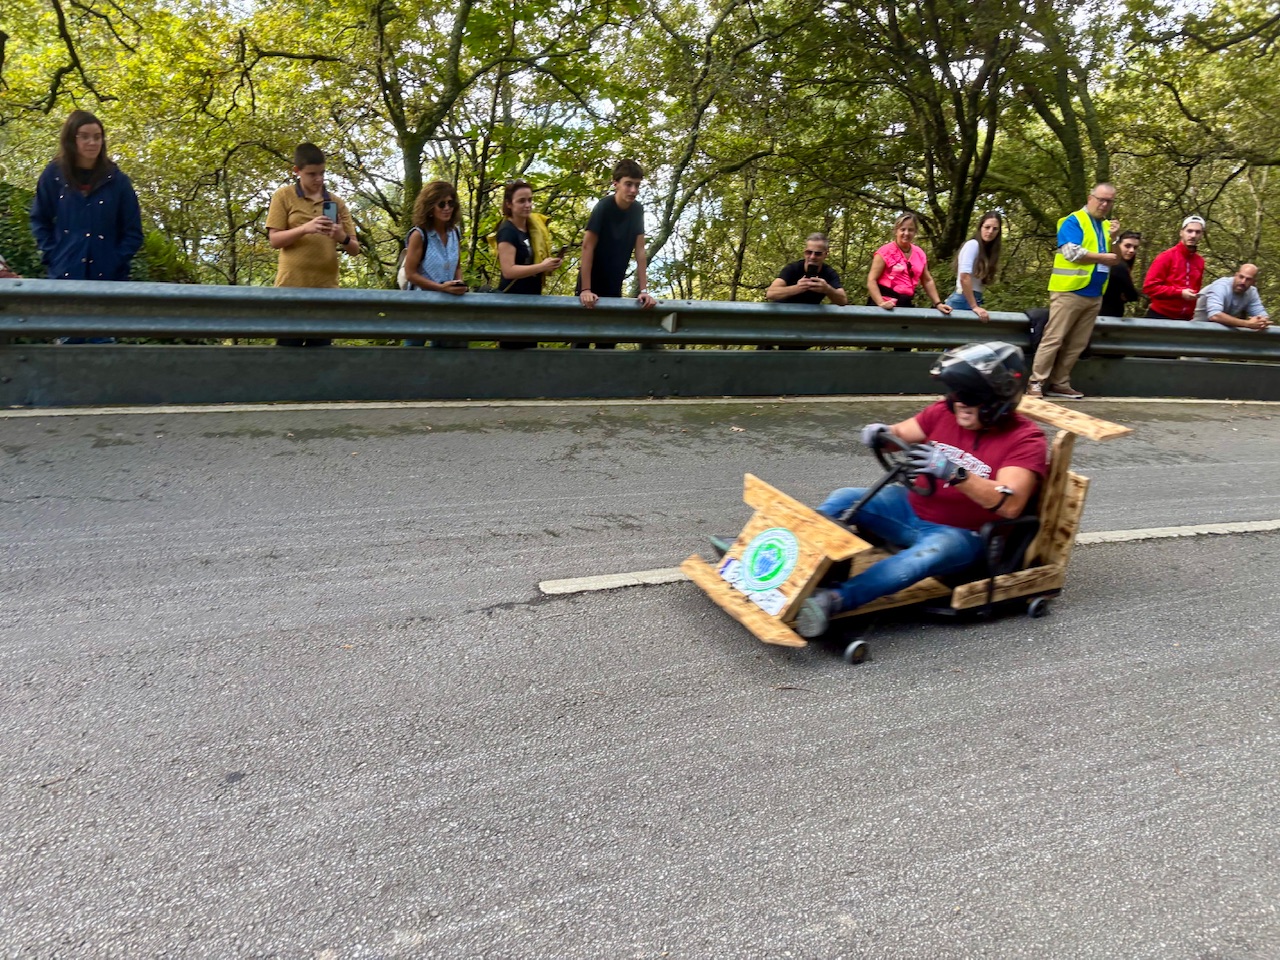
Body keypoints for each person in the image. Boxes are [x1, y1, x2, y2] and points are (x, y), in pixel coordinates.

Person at [795, 342, 1047, 638]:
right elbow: (899, 435)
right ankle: (788, 562)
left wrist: (955, 473)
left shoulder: (1026, 440)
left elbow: (1011, 504)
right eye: (955, 393)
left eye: (969, 395)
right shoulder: (944, 411)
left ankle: (832, 600)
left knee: (923, 557)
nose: (959, 402)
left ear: (997, 399)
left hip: (961, 534)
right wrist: (881, 433)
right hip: (910, 507)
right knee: (844, 499)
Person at [29, 109, 144, 344]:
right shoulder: (54, 176)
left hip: (107, 281)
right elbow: (39, 219)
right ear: (72, 139)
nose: (92, 142)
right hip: (65, 277)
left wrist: (115, 259)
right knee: (68, 350)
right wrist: (53, 254)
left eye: (97, 136)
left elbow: (133, 232)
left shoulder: (118, 181)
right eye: (85, 136)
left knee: (103, 351)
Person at [1028, 182, 1120, 400]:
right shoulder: (1073, 221)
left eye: (1109, 201)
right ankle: (1036, 381)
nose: (1105, 204)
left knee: (1077, 343)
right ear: (1090, 198)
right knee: (1054, 337)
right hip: (1069, 290)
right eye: (1101, 199)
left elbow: (1115, 258)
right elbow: (1071, 252)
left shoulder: (1107, 226)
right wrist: (1101, 257)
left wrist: (1115, 238)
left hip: (1094, 293)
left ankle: (1060, 383)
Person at [265, 142, 360, 347]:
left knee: (321, 356)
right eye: (312, 174)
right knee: (287, 354)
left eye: (322, 173)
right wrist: (305, 229)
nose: (319, 179)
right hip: (290, 290)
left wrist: (341, 237)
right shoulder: (283, 196)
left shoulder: (336, 203)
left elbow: (354, 249)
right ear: (297, 171)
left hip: (326, 292)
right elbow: (274, 240)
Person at [575, 159, 657, 349]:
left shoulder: (637, 210)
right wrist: (586, 289)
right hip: (591, 282)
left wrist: (643, 291)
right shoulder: (604, 207)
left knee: (608, 342)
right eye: (628, 184)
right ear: (616, 184)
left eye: (637, 185)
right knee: (581, 342)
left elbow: (640, 251)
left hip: (614, 283)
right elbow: (587, 247)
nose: (633, 190)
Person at [494, 179, 563, 349]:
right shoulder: (507, 231)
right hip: (512, 304)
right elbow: (508, 270)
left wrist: (550, 264)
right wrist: (542, 267)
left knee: (530, 354)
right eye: (521, 201)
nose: (528, 205)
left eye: (530, 200)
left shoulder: (532, 228)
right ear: (509, 204)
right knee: (511, 355)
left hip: (532, 300)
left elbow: (535, 260)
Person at [401, 180, 467, 348]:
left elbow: (457, 264)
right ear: (430, 207)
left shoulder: (454, 232)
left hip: (447, 306)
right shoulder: (419, 235)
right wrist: (440, 288)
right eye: (441, 204)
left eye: (451, 203)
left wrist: (459, 283)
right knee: (413, 355)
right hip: (420, 306)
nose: (447, 208)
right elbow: (410, 274)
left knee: (444, 354)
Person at [866, 213, 952, 314]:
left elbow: (927, 280)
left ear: (915, 232)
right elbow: (872, 280)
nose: (906, 233)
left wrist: (938, 303)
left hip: (905, 305)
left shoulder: (919, 253)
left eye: (910, 230)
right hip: (883, 305)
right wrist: (881, 303)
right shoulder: (885, 252)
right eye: (902, 229)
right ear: (896, 231)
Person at [1142, 215, 1206, 320]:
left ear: (1201, 235)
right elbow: (1149, 287)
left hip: (1186, 319)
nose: (1193, 235)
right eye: (1189, 231)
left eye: (1197, 232)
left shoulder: (1200, 262)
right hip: (1160, 315)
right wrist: (1179, 293)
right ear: (1181, 232)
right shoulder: (1166, 257)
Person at [946, 212, 1003, 320]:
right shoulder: (973, 245)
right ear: (980, 227)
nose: (990, 231)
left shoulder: (988, 251)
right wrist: (974, 306)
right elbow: (964, 277)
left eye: (995, 229)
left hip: (971, 298)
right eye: (987, 227)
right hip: (963, 300)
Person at [766, 233, 848, 306]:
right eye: (809, 252)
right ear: (805, 252)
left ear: (825, 254)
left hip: (807, 320)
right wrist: (797, 288)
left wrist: (827, 289)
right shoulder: (793, 268)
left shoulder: (829, 273)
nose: (812, 257)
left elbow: (843, 300)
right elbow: (771, 293)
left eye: (818, 254)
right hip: (782, 316)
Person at [1193, 265, 1271, 330]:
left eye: (1248, 279)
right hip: (1196, 328)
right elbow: (1214, 315)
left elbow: (1261, 313)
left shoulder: (1251, 292)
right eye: (1241, 277)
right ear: (1236, 275)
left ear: (1253, 282)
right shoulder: (1221, 286)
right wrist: (1248, 324)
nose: (1243, 282)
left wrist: (1262, 321)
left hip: (1219, 331)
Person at [1100, 231, 1142, 318]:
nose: (1132, 250)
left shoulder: (1116, 263)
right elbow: (1132, 295)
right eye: (1127, 246)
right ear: (1118, 245)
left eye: (1135, 247)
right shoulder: (1118, 266)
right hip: (1106, 314)